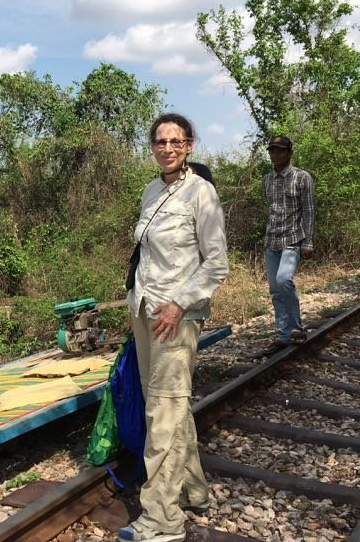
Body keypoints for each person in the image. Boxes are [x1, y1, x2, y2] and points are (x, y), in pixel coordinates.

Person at [119, 113, 229, 542]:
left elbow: (216, 263)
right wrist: (137, 303)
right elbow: (147, 255)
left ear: (189, 145)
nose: (167, 148)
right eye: (160, 141)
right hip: (146, 310)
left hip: (176, 317)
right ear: (152, 146)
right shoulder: (151, 191)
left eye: (175, 141)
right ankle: (193, 490)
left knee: (162, 411)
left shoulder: (202, 193)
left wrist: (179, 303)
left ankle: (162, 518)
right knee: (166, 405)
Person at [258, 135, 315, 357]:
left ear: (289, 153)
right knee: (275, 290)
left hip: (293, 239)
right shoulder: (267, 180)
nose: (275, 154)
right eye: (272, 151)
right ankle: (282, 335)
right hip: (271, 241)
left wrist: (308, 241)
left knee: (284, 280)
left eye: (280, 150)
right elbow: (271, 209)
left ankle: (296, 329)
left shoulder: (302, 178)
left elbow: (309, 211)